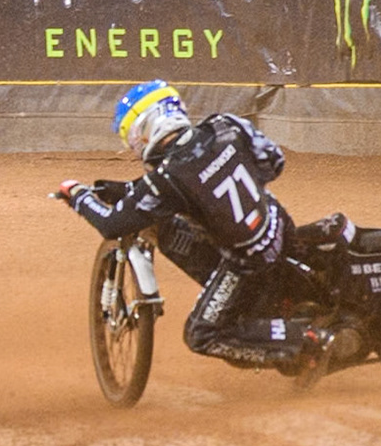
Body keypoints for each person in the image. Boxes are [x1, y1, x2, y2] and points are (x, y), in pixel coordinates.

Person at [56, 79, 342, 377]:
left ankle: (305, 341)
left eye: (133, 138)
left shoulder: (167, 178)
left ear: (146, 128)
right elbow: (273, 162)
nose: (134, 147)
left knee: (201, 334)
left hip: (247, 263)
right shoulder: (225, 125)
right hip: (279, 226)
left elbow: (111, 224)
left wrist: (78, 196)